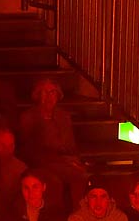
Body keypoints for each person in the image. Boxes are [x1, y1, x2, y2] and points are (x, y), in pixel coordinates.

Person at [17, 78, 88, 207]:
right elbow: (27, 149)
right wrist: (63, 160)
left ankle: (78, 214)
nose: (49, 96)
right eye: (45, 92)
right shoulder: (28, 117)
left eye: (52, 92)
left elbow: (71, 144)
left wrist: (75, 160)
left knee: (81, 174)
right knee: (55, 181)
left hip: (63, 160)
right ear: (38, 95)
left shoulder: (63, 116)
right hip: (42, 162)